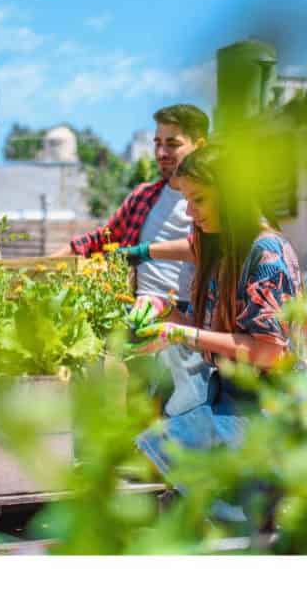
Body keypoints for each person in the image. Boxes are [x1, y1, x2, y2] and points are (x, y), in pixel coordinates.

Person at [134, 141, 303, 509]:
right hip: (229, 397)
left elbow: (271, 353)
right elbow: (210, 330)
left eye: (200, 200)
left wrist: (183, 332)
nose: (191, 213)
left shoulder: (267, 254)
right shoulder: (221, 247)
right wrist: (164, 313)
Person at [53, 103, 210, 414]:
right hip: (139, 309)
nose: (162, 153)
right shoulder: (144, 196)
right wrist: (48, 262)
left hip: (186, 316)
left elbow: (217, 246)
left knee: (173, 406)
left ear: (199, 145)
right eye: (158, 143)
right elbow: (102, 239)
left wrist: (144, 253)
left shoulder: (212, 201)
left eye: (173, 143)